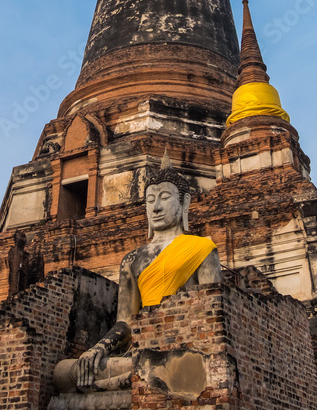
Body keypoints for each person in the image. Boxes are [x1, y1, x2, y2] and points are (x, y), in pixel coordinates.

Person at [55, 152, 221, 393]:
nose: (156, 206)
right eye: (150, 199)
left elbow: (210, 314)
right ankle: (133, 379)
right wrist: (98, 349)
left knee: (174, 365)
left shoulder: (202, 248)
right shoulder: (132, 259)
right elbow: (125, 322)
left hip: (185, 347)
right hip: (139, 350)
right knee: (65, 371)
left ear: (185, 202)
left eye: (164, 197)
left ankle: (130, 382)